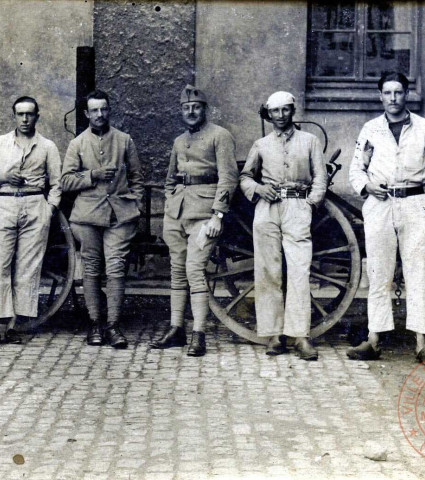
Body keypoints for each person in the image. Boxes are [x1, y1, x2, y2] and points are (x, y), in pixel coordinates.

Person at [347, 72, 425, 367]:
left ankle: (422, 343)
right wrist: (366, 187)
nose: (393, 98)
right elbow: (356, 169)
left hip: (415, 204)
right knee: (379, 274)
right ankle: (374, 339)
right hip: (380, 205)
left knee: (417, 274)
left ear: (406, 95)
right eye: (387, 93)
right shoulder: (371, 129)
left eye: (398, 92)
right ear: (380, 96)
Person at [150, 85, 238, 357]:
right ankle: (176, 329)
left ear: (204, 109)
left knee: (194, 270)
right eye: (186, 108)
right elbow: (170, 178)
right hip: (177, 215)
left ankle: (198, 333)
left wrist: (218, 215)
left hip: (205, 216)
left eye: (196, 107)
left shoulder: (220, 136)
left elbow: (228, 177)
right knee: (177, 272)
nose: (190, 112)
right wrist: (170, 200)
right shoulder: (179, 141)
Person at [239, 91, 327, 361]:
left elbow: (320, 178)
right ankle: (274, 334)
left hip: (297, 207)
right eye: (275, 111)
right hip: (267, 210)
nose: (280, 116)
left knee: (300, 269)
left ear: (292, 111)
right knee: (268, 270)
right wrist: (258, 189)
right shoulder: (261, 144)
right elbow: (244, 177)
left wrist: (309, 204)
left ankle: (300, 335)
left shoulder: (309, 141)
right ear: (269, 113)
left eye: (285, 110)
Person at [61, 90, 145, 349]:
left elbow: (137, 178)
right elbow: (65, 181)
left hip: (120, 216)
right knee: (91, 268)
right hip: (87, 217)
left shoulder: (124, 140)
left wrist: (137, 205)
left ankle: (113, 325)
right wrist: (93, 175)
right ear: (86, 114)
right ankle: (95, 323)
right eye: (94, 110)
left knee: (116, 266)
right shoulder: (77, 144)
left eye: (104, 109)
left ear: (109, 110)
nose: (100, 114)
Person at [0, 96, 62, 348]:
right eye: (20, 114)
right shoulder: (0, 143)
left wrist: (49, 209)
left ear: (37, 116)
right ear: (14, 116)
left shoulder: (47, 147)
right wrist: (2, 177)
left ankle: (12, 325)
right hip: (5, 204)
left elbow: (57, 184)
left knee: (26, 268)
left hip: (36, 206)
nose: (25, 119)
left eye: (30, 114)